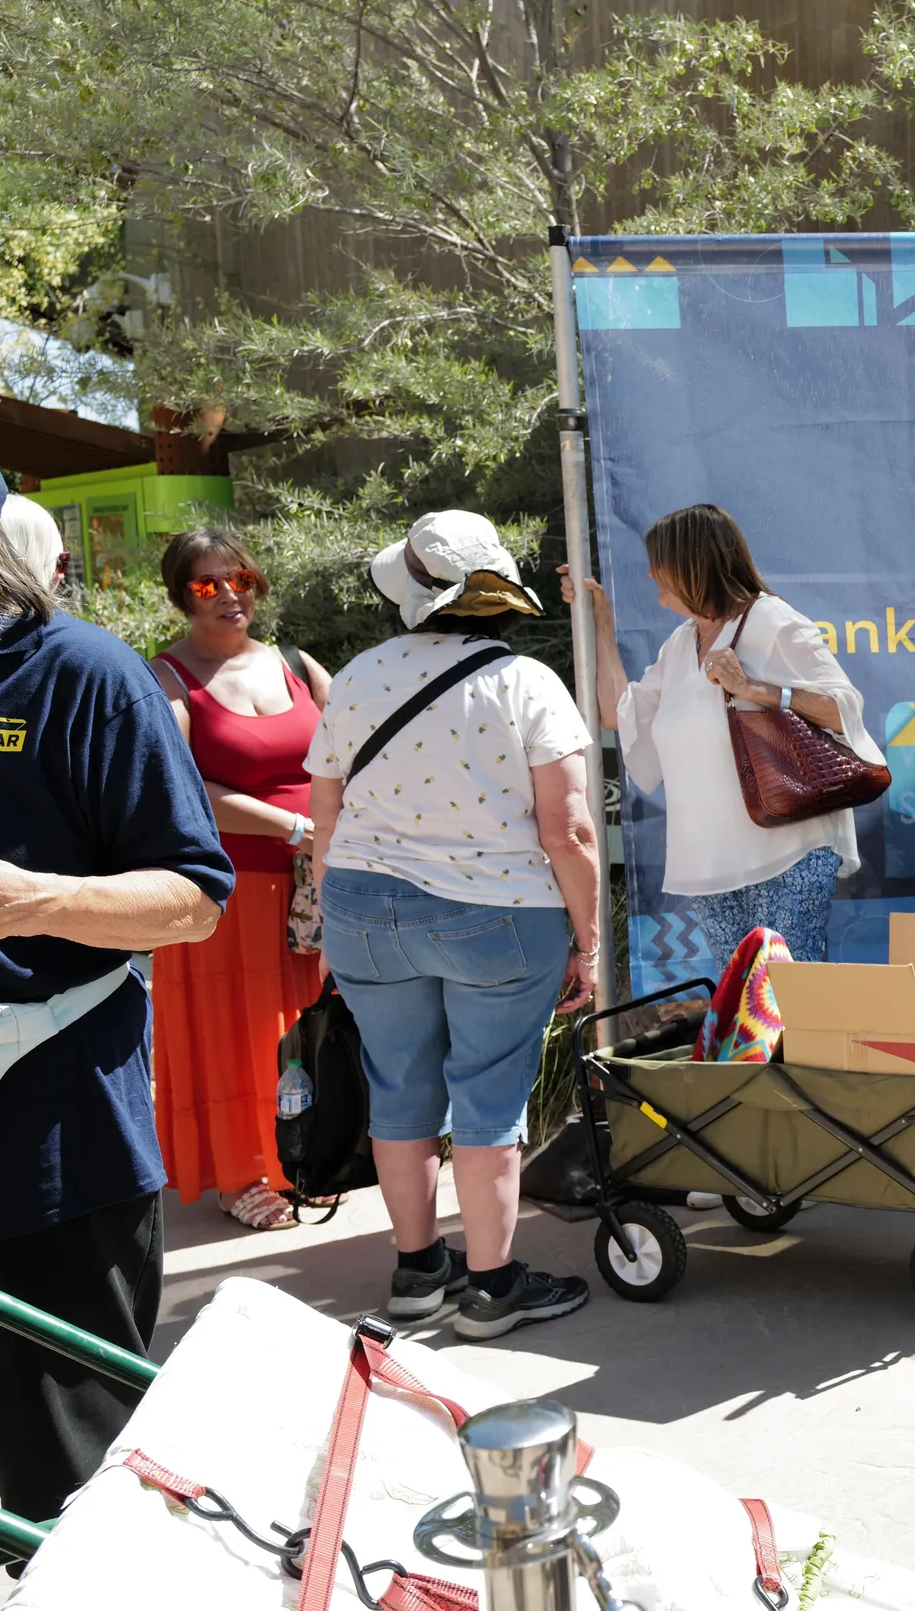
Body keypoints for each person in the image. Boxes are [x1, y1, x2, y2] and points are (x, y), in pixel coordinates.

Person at [0, 390, 229, 1603]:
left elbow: (192, 900)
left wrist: (28, 900)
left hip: (44, 1164)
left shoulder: (79, 677)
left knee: (79, 1514)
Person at [305, 511, 599, 1341]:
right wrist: (588, 942)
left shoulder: (358, 675)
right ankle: (493, 1288)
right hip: (498, 915)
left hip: (364, 908)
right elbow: (569, 829)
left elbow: (325, 815)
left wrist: (334, 918)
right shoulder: (527, 682)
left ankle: (417, 1272)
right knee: (488, 1101)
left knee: (399, 1091)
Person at [562, 504, 881, 964]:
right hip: (709, 862)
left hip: (790, 849)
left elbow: (843, 707)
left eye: (659, 563)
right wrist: (600, 622)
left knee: (786, 993)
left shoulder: (770, 619)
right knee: (741, 998)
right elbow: (617, 713)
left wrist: (752, 689)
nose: (650, 574)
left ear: (692, 564)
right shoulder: (680, 643)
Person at [147, 530, 331, 1230]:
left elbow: (352, 752)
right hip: (226, 889)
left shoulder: (297, 664)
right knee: (236, 1036)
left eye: (241, 579)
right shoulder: (167, 677)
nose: (229, 594)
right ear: (182, 597)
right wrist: (294, 828)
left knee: (309, 1026)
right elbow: (181, 786)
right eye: (208, 584)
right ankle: (242, 1174)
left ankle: (308, 1154)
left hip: (313, 883)